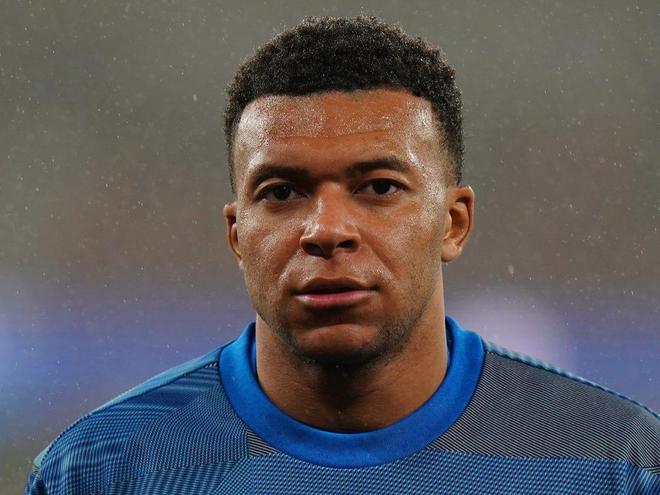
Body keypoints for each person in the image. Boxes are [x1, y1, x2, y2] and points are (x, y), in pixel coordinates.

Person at [26, 16, 659, 495]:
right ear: (237, 235)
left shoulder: (617, 461)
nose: (327, 230)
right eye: (282, 192)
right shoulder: (101, 470)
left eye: (379, 187)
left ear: (453, 223)